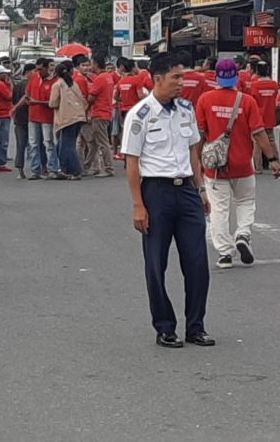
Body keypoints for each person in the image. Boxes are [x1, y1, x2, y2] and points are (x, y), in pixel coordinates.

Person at [124, 52, 214, 349]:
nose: (182, 83)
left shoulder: (186, 110)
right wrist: (138, 205)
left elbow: (193, 153)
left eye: (183, 76)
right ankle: (165, 327)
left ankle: (196, 326)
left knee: (198, 262)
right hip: (156, 194)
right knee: (155, 264)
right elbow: (132, 163)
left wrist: (201, 190)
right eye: (176, 77)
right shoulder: (139, 115)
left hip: (186, 190)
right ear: (157, 79)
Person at [195, 58, 280, 269]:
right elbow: (260, 134)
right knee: (245, 202)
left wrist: (197, 163)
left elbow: (198, 136)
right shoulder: (247, 101)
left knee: (219, 210)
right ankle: (243, 233)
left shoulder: (205, 100)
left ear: (216, 76)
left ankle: (225, 253)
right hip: (243, 165)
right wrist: (272, 159)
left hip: (215, 168)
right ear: (236, 75)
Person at [49, 60, 88, 180]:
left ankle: (75, 171)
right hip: (79, 116)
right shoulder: (73, 83)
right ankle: (64, 169)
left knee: (67, 146)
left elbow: (53, 103)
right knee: (63, 145)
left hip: (66, 118)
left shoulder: (57, 85)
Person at [26, 57, 60, 180]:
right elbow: (27, 92)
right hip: (33, 115)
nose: (38, 72)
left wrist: (37, 102)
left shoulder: (55, 82)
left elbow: (54, 102)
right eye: (37, 69)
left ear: (46, 68)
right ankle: (35, 170)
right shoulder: (34, 78)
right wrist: (29, 100)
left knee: (49, 144)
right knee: (33, 144)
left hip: (47, 117)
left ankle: (53, 169)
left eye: (40, 69)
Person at [83, 55, 117, 178]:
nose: (89, 66)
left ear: (96, 64)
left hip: (99, 113)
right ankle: (86, 167)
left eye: (91, 63)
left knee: (102, 142)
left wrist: (85, 107)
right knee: (93, 142)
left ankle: (108, 168)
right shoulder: (108, 77)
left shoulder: (100, 78)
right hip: (105, 112)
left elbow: (92, 97)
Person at [248, 60, 280, 173]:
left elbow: (252, 101)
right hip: (270, 115)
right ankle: (277, 162)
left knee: (257, 142)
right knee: (271, 140)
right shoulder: (274, 84)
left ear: (257, 71)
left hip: (258, 116)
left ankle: (258, 167)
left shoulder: (254, 85)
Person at [12, 63, 33, 179]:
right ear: (28, 72)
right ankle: (41, 167)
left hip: (19, 118)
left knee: (21, 145)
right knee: (35, 144)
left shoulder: (17, 85)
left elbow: (13, 100)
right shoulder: (30, 85)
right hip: (30, 118)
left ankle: (20, 170)